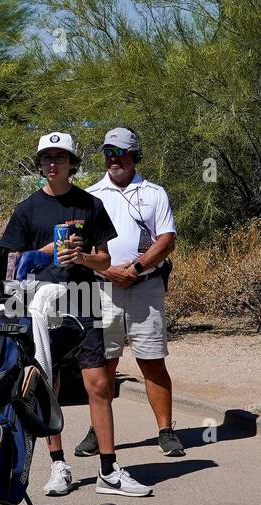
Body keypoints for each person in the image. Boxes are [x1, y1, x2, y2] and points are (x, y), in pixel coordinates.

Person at [2, 131, 149, 497]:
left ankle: (109, 469)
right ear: (39, 164)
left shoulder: (89, 204)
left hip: (83, 297)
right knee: (47, 385)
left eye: (61, 158)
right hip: (39, 303)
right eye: (47, 158)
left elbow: (105, 260)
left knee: (98, 384)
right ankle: (58, 466)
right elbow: (10, 265)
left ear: (72, 163)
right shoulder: (26, 209)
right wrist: (43, 254)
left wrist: (81, 257)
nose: (53, 164)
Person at [83, 127, 183, 457]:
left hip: (145, 287)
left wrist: (135, 269)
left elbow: (166, 239)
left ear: (134, 155)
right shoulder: (91, 195)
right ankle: (97, 431)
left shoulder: (154, 193)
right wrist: (108, 270)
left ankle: (166, 431)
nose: (113, 160)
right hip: (104, 288)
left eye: (120, 153)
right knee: (104, 364)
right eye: (108, 153)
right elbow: (80, 246)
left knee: (152, 360)